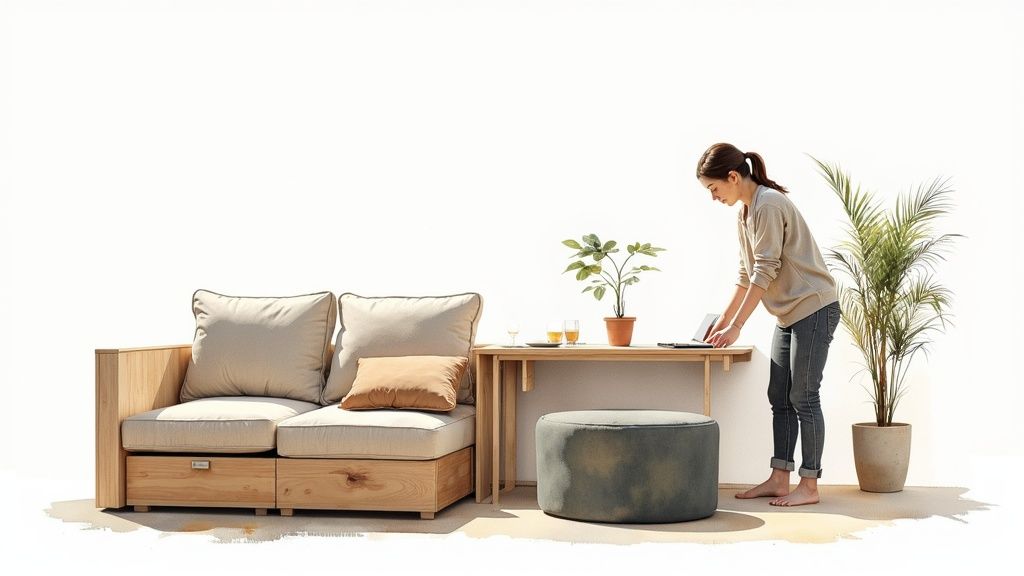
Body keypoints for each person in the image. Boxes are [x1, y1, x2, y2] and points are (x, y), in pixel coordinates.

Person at [696, 143, 842, 507]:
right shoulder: (745, 214)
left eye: (714, 189)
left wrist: (739, 327)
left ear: (732, 177)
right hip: (789, 313)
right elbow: (746, 275)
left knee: (804, 396)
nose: (713, 198)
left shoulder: (770, 204)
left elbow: (766, 270)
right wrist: (722, 322)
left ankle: (809, 485)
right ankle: (780, 477)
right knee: (779, 395)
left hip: (814, 307)